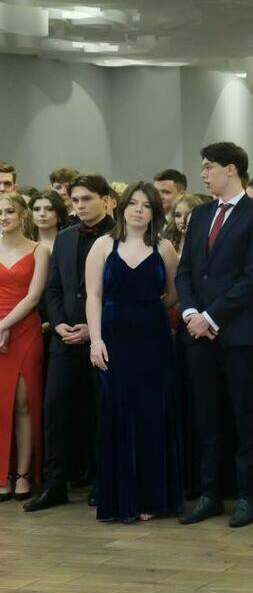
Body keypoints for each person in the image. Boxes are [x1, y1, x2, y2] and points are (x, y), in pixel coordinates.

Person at [175, 142, 253, 528]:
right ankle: (209, 493)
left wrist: (211, 317)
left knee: (245, 416)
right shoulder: (201, 213)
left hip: (237, 334)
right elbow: (186, 270)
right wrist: (189, 312)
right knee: (207, 416)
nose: (203, 174)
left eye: (209, 167)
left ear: (231, 169)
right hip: (197, 334)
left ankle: (247, 495)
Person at [85, 182, 181, 523]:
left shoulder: (164, 247)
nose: (139, 210)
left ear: (155, 212)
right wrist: (96, 340)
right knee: (117, 412)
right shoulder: (102, 245)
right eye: (133, 203)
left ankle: (151, 498)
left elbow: (174, 294)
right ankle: (120, 498)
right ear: (122, 207)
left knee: (153, 412)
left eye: (146, 205)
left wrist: (148, 310)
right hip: (113, 337)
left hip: (154, 339)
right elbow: (93, 296)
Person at [24, 174, 114, 512]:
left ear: (106, 199)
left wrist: (95, 329)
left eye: (87, 199)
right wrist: (59, 322)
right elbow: (54, 287)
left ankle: (103, 481)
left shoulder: (119, 236)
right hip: (65, 339)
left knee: (102, 411)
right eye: (75, 200)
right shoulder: (64, 237)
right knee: (56, 409)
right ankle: (54, 484)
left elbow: (122, 291)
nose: (80, 206)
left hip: (104, 339)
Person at [0, 194, 49, 502]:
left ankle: (23, 473)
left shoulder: (39, 249)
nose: (3, 217)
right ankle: (2, 473)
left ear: (22, 215)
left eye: (9, 211)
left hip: (25, 329)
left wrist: (3, 325)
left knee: (22, 403)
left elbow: (33, 298)